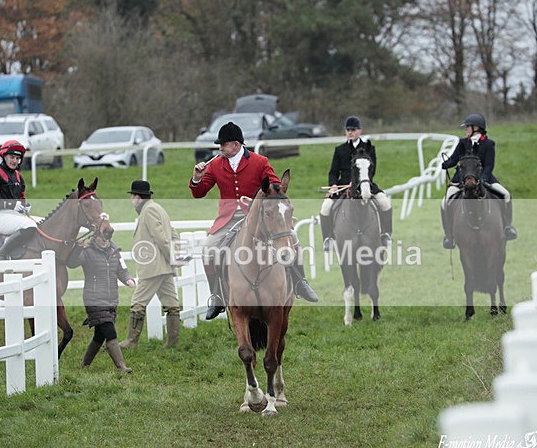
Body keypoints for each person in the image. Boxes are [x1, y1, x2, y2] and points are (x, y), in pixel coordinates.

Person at [189, 121, 318, 320]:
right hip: (229, 220)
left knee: (292, 239)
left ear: (236, 144)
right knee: (208, 249)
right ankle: (216, 296)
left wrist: (272, 198)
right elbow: (199, 193)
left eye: (223, 144)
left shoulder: (260, 161)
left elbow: (275, 185)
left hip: (259, 216)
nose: (220, 148)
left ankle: (300, 282)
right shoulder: (215, 164)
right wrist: (197, 178)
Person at [120, 180, 184, 349]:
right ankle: (173, 343)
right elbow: (174, 234)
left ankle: (131, 341)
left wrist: (171, 256)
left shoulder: (148, 211)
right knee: (171, 304)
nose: (132, 201)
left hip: (153, 267)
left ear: (137, 197)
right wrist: (174, 255)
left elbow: (161, 237)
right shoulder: (158, 208)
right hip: (163, 267)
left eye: (132, 197)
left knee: (138, 303)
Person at [440, 112, 517, 249]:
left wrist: (484, 179)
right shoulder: (463, 143)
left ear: (476, 127)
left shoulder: (488, 144)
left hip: (485, 178)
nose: (465, 130)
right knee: (444, 202)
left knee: (506, 195)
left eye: (467, 127)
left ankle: (507, 227)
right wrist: (447, 163)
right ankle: (449, 235)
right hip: (461, 180)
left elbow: (489, 165)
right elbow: (454, 159)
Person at [319, 116, 392, 252]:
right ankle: (328, 239)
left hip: (365, 183)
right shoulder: (339, 150)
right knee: (325, 207)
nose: (350, 132)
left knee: (384, 202)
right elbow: (333, 172)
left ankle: (385, 234)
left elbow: (372, 170)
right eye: (348, 130)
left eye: (353, 130)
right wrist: (333, 184)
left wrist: (359, 182)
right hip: (343, 187)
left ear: (360, 131)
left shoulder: (369, 148)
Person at [67, 230, 135, 373]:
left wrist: (128, 279)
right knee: (110, 332)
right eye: (101, 238)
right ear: (95, 237)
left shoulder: (114, 251)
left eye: (107, 239)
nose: (104, 241)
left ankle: (84, 365)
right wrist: (77, 247)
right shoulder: (87, 251)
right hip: (94, 299)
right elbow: (72, 263)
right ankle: (121, 367)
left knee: (99, 335)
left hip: (112, 300)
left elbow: (122, 269)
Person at [0, 139, 37, 260]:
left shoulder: (18, 176)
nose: (15, 161)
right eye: (12, 157)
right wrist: (11, 205)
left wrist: (24, 206)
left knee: (42, 223)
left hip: (15, 216)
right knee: (30, 226)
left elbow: (21, 199)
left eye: (17, 158)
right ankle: (0, 253)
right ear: (4, 156)